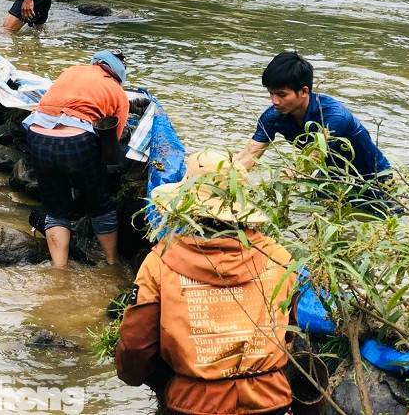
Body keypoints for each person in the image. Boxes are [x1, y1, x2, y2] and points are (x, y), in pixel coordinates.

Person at [116, 150, 297, 415]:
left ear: (185, 208)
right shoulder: (279, 257)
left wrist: (137, 378)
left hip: (193, 403)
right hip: (270, 400)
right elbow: (289, 333)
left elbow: (136, 344)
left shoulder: (160, 262)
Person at [24, 50, 129, 267]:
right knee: (100, 205)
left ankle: (59, 269)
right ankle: (111, 263)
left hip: (37, 135)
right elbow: (112, 141)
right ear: (119, 74)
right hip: (77, 142)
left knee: (56, 210)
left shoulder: (71, 71)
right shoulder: (118, 92)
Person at [234, 51, 390, 180]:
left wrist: (263, 189)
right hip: (330, 178)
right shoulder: (273, 116)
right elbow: (248, 156)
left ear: (304, 91)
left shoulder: (333, 117)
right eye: (271, 93)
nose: (274, 101)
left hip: (374, 179)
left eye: (281, 94)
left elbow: (306, 165)